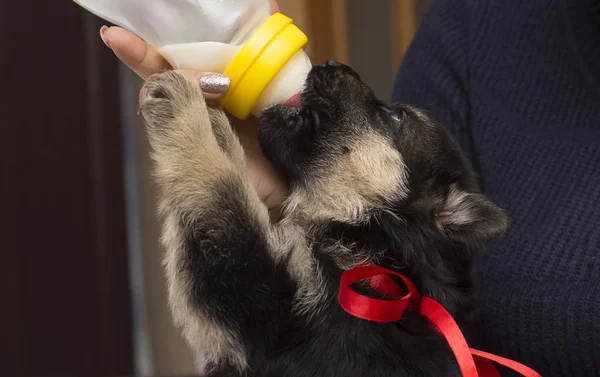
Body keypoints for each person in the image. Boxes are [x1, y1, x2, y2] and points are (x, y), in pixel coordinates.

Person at [99, 0, 600, 376]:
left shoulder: (375, 313)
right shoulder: (477, 24)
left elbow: (234, 315)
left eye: (391, 116)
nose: (338, 72)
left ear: (443, 212)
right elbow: (234, 314)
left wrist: (194, 156)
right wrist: (273, 195)